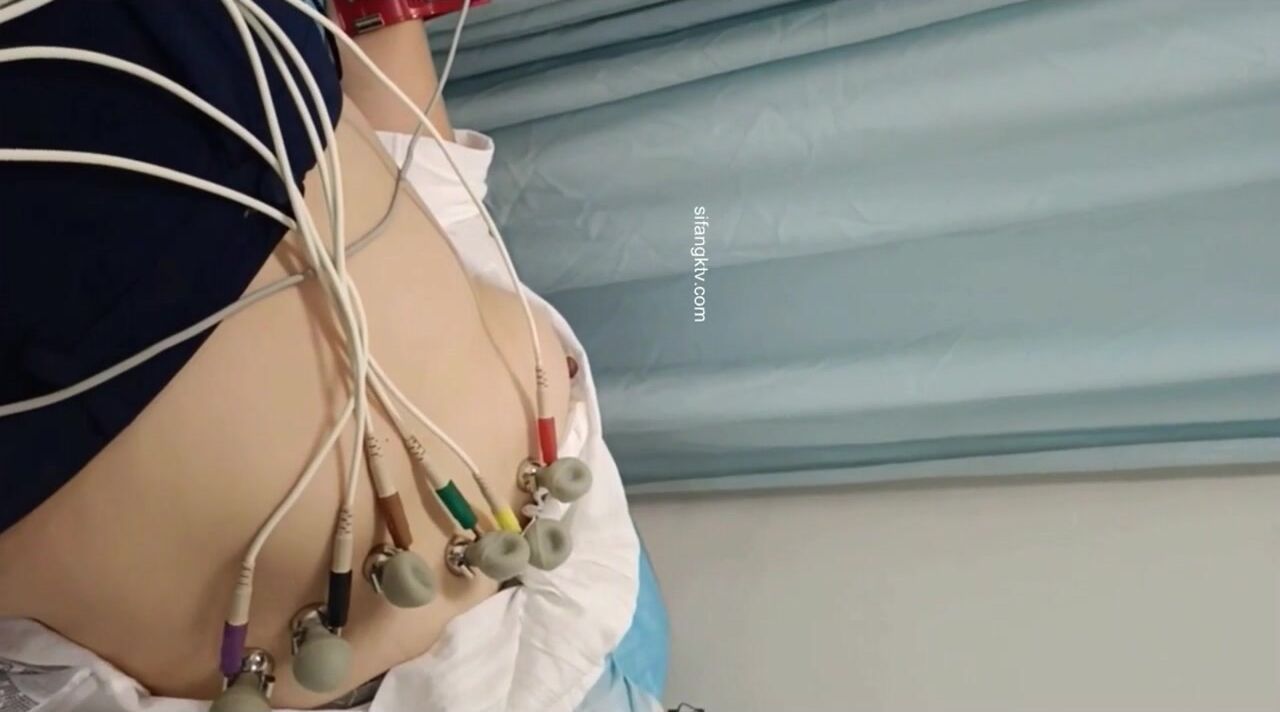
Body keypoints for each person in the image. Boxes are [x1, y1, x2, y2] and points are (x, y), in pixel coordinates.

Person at [0, 2, 642, 710]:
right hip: (252, 83)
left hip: (46, 308)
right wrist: (383, 19)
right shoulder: (605, 611)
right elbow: (439, 214)